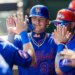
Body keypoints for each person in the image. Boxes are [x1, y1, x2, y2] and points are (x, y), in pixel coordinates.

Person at [6, 5, 57, 75]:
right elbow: (6, 57)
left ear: (47, 21)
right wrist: (11, 34)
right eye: (34, 18)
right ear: (29, 21)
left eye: (41, 18)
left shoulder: (55, 40)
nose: (37, 22)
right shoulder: (20, 39)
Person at [52, 8, 75, 75]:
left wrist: (61, 44)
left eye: (62, 24)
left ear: (72, 25)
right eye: (56, 23)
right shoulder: (54, 39)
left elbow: (59, 70)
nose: (58, 27)